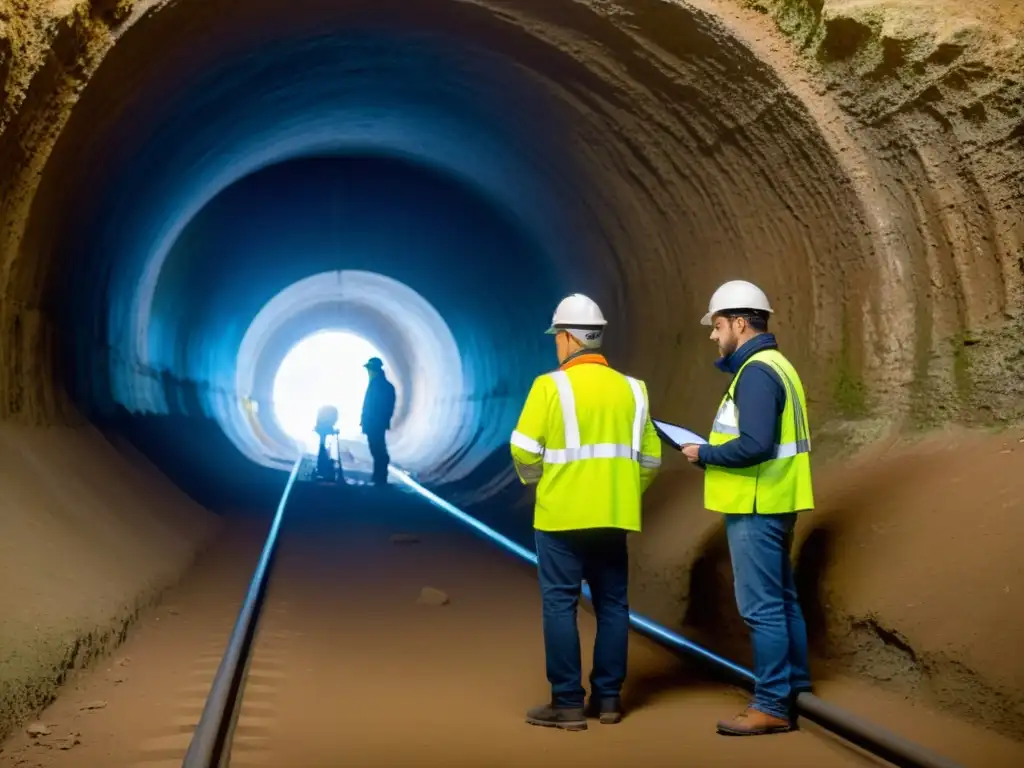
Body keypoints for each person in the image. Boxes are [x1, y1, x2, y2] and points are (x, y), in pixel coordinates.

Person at [510, 293, 662, 731]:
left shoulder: (549, 386)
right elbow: (651, 458)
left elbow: (523, 448)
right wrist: (621, 491)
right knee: (613, 606)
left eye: (558, 336)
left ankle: (568, 703)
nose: (557, 344)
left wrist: (539, 481)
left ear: (569, 338)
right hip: (614, 515)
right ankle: (610, 699)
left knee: (560, 605)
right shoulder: (634, 389)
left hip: (560, 516)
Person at [679, 279, 813, 736]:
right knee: (783, 600)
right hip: (777, 499)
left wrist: (704, 454)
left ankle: (772, 703)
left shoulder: (755, 372)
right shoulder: (779, 366)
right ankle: (796, 688)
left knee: (761, 607)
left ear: (739, 323)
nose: (714, 337)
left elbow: (755, 444)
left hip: (757, 504)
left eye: (717, 327)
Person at [360, 357, 396, 486]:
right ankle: (379, 476)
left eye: (369, 370)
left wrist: (367, 422)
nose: (368, 372)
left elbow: (371, 406)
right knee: (377, 449)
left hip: (375, 424)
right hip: (377, 424)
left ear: (373, 370)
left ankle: (380, 477)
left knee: (378, 450)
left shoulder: (377, 385)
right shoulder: (384, 385)